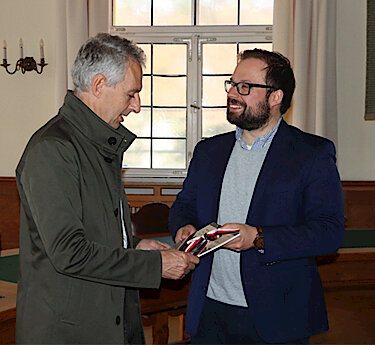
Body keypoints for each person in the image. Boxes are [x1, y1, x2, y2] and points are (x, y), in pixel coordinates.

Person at [15, 33, 199, 345]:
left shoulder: (96, 144)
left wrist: (136, 245)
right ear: (100, 85)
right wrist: (153, 265)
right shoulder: (54, 149)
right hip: (70, 332)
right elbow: (69, 252)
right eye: (131, 94)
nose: (137, 106)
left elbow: (97, 231)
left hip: (105, 320)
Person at [169, 49, 345, 345]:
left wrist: (258, 238)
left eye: (245, 87)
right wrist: (184, 226)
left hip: (277, 316)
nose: (234, 94)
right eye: (233, 84)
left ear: (275, 97)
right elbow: (184, 205)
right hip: (210, 310)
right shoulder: (208, 151)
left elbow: (329, 233)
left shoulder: (311, 154)